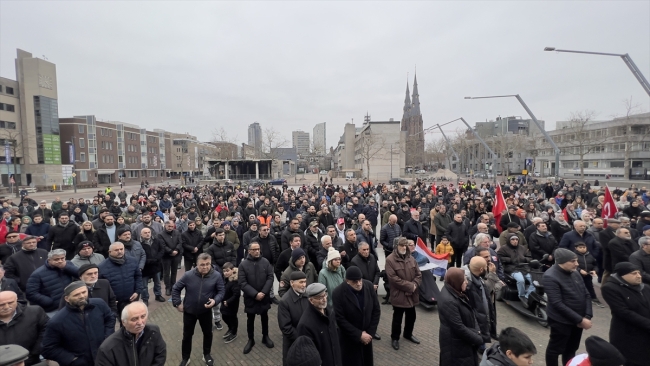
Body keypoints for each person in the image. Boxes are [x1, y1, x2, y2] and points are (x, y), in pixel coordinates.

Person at [42, 281, 115, 366]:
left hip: (104, 358)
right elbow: (48, 348)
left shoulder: (99, 304)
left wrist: (108, 338)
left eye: (84, 292)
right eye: (76, 295)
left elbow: (110, 318)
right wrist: (72, 359)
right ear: (67, 299)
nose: (82, 296)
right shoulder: (57, 321)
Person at [172, 253, 225, 366]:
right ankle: (186, 358)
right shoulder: (188, 275)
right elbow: (176, 288)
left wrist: (215, 301)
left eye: (207, 264)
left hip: (205, 311)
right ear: (196, 264)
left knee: (208, 334)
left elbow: (221, 291)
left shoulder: (216, 275)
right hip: (189, 312)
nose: (205, 267)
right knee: (187, 335)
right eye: (202, 265)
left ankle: (206, 355)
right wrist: (177, 304)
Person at [543, 248, 593, 366]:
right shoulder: (550, 276)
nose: (577, 264)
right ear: (561, 261)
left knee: (571, 349)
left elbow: (586, 294)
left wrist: (588, 315)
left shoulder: (575, 273)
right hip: (561, 321)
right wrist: (580, 320)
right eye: (573, 261)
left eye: (576, 260)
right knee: (555, 350)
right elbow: (557, 303)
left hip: (577, 321)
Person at [600, 262, 650, 366]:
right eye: (634, 273)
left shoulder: (645, 287)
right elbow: (623, 312)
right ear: (622, 275)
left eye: (639, 273)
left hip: (646, 332)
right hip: (628, 334)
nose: (639, 276)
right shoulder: (610, 288)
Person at [332, 266, 381, 366]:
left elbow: (376, 310)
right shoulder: (338, 293)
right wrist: (359, 335)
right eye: (354, 282)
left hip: (367, 337)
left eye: (360, 280)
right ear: (347, 281)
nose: (358, 284)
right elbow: (340, 319)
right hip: (349, 339)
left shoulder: (368, 286)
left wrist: (370, 333)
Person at [94, 302, 166, 366]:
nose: (140, 322)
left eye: (143, 316)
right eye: (134, 319)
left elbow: (160, 355)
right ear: (124, 322)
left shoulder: (154, 331)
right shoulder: (108, 348)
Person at [438, 267, 483, 366]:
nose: (466, 282)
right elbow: (458, 327)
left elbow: (471, 312)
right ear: (457, 281)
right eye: (464, 280)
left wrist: (477, 330)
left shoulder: (456, 291)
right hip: (455, 345)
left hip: (462, 341)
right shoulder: (449, 301)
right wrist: (477, 338)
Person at [385, 237, 422, 351]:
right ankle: (395, 338)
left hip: (411, 294)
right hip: (399, 294)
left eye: (405, 245)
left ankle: (408, 334)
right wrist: (410, 286)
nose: (404, 247)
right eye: (402, 245)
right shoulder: (390, 260)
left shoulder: (411, 258)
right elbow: (393, 279)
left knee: (412, 316)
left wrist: (415, 284)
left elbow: (418, 274)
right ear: (396, 246)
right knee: (398, 318)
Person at [239, 241, 275, 354]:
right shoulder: (243, 264)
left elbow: (270, 277)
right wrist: (255, 294)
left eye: (258, 249)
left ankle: (265, 336)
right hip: (251, 298)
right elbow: (242, 283)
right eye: (254, 249)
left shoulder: (265, 262)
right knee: (250, 319)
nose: (257, 251)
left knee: (265, 317)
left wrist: (263, 292)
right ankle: (251, 339)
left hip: (264, 297)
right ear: (249, 251)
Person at [296, 283, 343, 366]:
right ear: (311, 300)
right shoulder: (305, 325)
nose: (324, 299)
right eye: (320, 297)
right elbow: (308, 355)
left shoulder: (329, 311)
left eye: (325, 295)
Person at [98, 242, 144, 325]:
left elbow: (138, 277)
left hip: (132, 298)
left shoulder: (132, 261)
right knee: (124, 322)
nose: (119, 251)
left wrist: (137, 291)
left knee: (135, 320)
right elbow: (102, 287)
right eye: (116, 250)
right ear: (110, 252)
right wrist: (110, 300)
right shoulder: (102, 267)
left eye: (121, 249)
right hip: (116, 302)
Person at [25, 249, 78, 317]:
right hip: (53, 309)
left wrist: (66, 267)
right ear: (49, 260)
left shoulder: (67, 265)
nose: (60, 261)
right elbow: (31, 293)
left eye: (62, 258)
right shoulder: (38, 274)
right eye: (56, 259)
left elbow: (80, 274)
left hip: (70, 303)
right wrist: (48, 301)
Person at [0, 291, 48, 366]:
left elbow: (46, 331)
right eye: (1, 305)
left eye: (10, 303)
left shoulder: (35, 312)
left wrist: (34, 352)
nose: (6, 307)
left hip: (32, 360)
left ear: (16, 300)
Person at [278, 271, 310, 365]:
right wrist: (302, 338)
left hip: (307, 340)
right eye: (301, 282)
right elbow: (286, 327)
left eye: (305, 281)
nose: (304, 285)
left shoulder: (307, 296)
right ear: (292, 283)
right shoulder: (285, 302)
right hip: (293, 343)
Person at [464, 256, 497, 347]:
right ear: (481, 269)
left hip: (481, 322)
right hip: (478, 326)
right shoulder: (469, 285)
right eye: (486, 266)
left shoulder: (478, 277)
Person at [497, 233, 534, 305]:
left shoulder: (522, 248)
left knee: (534, 281)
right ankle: (521, 296)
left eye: (517, 239)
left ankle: (527, 296)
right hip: (512, 268)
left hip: (524, 268)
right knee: (520, 280)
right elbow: (499, 257)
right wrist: (509, 260)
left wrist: (525, 259)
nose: (515, 241)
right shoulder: (504, 248)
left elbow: (529, 257)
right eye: (513, 239)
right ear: (509, 240)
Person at [573, 242, 604, 307]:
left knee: (590, 286)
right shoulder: (574, 256)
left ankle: (593, 298)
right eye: (580, 248)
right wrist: (579, 270)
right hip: (577, 275)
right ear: (576, 248)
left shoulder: (590, 255)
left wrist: (595, 270)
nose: (582, 249)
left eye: (584, 247)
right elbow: (573, 265)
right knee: (578, 287)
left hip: (588, 274)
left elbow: (595, 265)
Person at [139, 227, 165, 304]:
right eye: (145, 233)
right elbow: (139, 255)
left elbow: (162, 250)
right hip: (145, 267)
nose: (147, 234)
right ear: (141, 234)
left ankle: (158, 295)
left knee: (157, 282)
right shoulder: (138, 244)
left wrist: (157, 259)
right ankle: (145, 299)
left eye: (148, 232)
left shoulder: (157, 241)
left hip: (156, 265)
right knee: (144, 285)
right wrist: (147, 261)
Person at [159, 221, 183, 296]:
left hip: (176, 255)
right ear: (165, 226)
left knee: (174, 272)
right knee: (166, 273)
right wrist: (170, 251)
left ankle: (173, 286)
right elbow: (162, 245)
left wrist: (176, 250)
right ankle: (168, 288)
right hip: (166, 256)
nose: (170, 228)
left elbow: (180, 242)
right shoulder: (160, 234)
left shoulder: (177, 232)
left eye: (172, 226)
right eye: (169, 226)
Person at [220, 262, 240, 344]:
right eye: (224, 271)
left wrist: (228, 301)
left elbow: (236, 295)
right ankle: (230, 328)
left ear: (232, 270)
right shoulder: (226, 279)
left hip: (232, 305)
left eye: (227, 271)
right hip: (224, 303)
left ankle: (234, 332)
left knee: (232, 318)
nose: (225, 273)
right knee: (224, 316)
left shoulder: (235, 281)